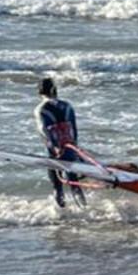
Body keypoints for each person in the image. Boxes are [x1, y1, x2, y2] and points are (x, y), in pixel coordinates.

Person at [34, 76, 84, 208]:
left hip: (55, 151)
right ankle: (83, 208)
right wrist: (76, 149)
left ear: (39, 92)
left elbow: (43, 130)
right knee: (74, 183)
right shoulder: (67, 106)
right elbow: (74, 129)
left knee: (57, 186)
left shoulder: (40, 109)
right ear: (55, 90)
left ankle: (62, 214)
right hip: (70, 149)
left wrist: (55, 147)